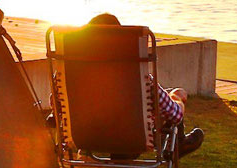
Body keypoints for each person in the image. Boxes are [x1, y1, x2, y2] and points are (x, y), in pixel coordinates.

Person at [85, 13, 203, 158]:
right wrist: (178, 99)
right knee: (173, 96)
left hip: (90, 137)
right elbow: (175, 114)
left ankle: (121, 152)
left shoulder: (75, 80)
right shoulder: (137, 78)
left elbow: (56, 106)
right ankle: (178, 144)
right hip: (132, 137)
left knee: (150, 98)